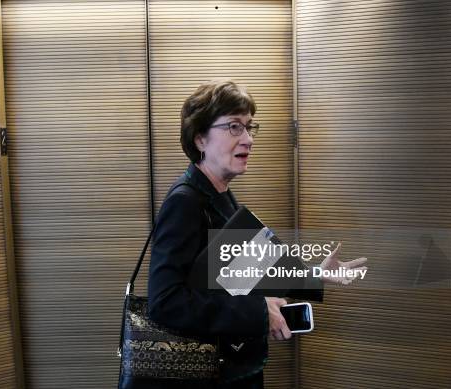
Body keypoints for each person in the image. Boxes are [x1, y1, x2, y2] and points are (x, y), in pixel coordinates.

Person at [147, 80, 367, 388]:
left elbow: (247, 271)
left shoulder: (219, 194)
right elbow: (165, 302)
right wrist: (258, 312)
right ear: (200, 139)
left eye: (250, 127)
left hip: (232, 368)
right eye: (234, 127)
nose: (249, 139)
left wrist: (315, 275)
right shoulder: (185, 202)